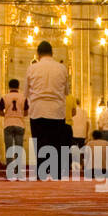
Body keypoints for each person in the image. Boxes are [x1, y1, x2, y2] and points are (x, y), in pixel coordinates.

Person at [24, 41, 69, 179]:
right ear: (52, 53)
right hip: (57, 111)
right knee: (55, 143)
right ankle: (55, 173)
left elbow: (26, 92)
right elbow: (66, 91)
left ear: (38, 54)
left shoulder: (32, 68)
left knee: (40, 144)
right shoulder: (62, 68)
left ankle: (41, 174)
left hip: (38, 111)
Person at [0, 79, 29, 162]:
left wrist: (8, 115)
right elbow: (26, 113)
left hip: (8, 124)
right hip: (20, 124)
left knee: (9, 148)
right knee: (19, 148)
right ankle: (18, 171)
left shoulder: (4, 97)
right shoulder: (23, 98)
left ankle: (10, 171)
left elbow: (1, 113)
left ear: (9, 87)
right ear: (18, 87)